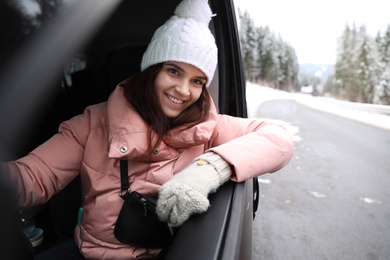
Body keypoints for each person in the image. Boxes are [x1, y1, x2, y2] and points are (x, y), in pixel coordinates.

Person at [0, 0, 294, 259]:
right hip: (85, 252)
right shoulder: (94, 123)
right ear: (152, 69)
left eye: (197, 81)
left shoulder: (209, 128)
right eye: (174, 70)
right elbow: (32, 176)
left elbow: (279, 140)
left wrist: (209, 169)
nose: (183, 90)